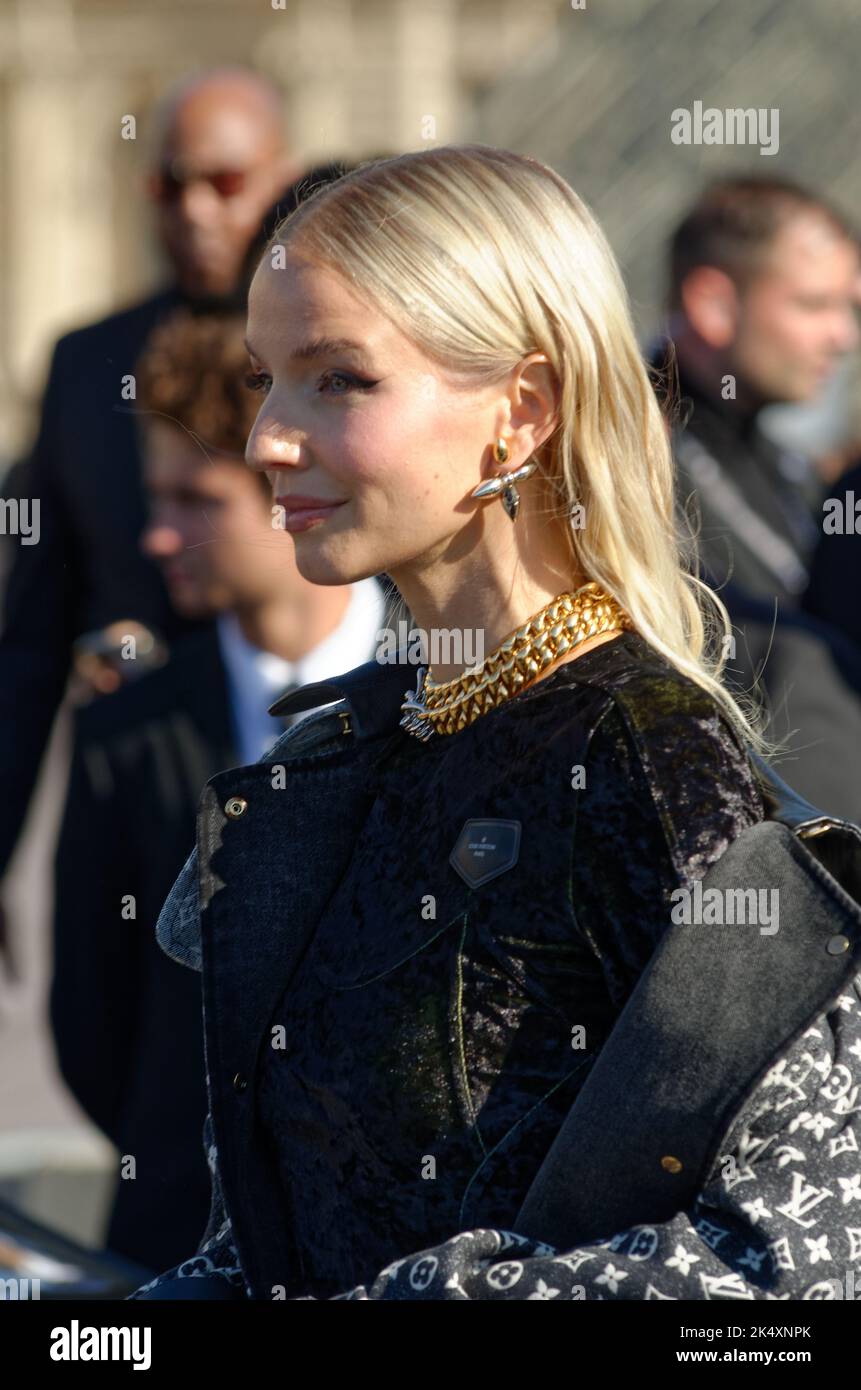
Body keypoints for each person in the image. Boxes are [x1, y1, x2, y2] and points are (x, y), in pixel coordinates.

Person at [129, 145, 860, 1302]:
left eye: (338, 379)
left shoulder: (655, 761)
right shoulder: (346, 756)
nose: (268, 435)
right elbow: (273, 1245)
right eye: (268, 377)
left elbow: (796, 1262)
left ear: (519, 412)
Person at [50, 309, 386, 1273]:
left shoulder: (442, 681)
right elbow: (90, 1007)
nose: (158, 536)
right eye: (153, 499)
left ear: (287, 488)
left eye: (197, 500)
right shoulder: (129, 723)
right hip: (173, 1227)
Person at [0, 67, 300, 974]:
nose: (197, 211)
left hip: (325, 750)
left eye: (227, 182)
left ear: (282, 176)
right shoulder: (88, 367)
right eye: (172, 183)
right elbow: (33, 632)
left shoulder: (346, 350)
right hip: (144, 792)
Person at [659, 176, 861, 819]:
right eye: (813, 305)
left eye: (849, 308)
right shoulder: (615, 461)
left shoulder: (786, 468)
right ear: (714, 304)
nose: (843, 336)